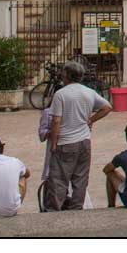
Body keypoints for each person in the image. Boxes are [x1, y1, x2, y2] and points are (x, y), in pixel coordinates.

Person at [44, 62, 113, 210]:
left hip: (66, 142)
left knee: (58, 179)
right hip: (84, 141)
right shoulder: (88, 92)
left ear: (67, 75)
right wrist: (91, 120)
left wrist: (54, 142)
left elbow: (56, 120)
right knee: (80, 178)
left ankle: (54, 210)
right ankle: (76, 208)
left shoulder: (61, 94)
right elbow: (107, 107)